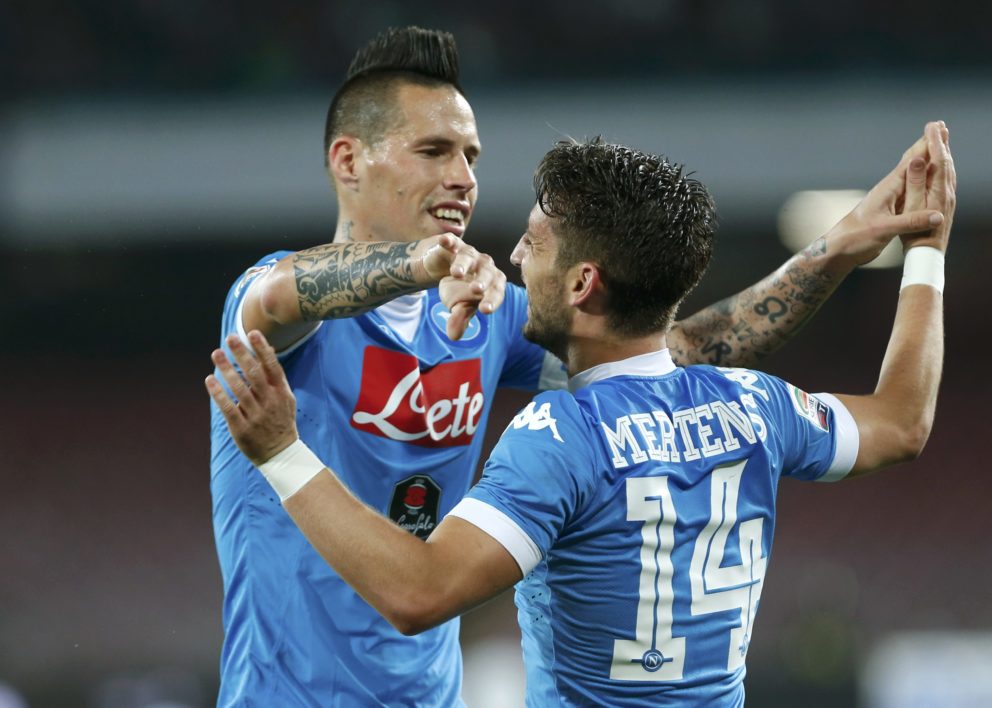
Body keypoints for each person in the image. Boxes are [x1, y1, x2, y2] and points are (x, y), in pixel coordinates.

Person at [209, 26, 939, 706]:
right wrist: (421, 261)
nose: (463, 177)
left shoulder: (490, 320)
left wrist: (834, 250)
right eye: (434, 152)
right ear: (349, 160)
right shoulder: (276, 305)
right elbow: (284, 294)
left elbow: (656, 354)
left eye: (472, 156)